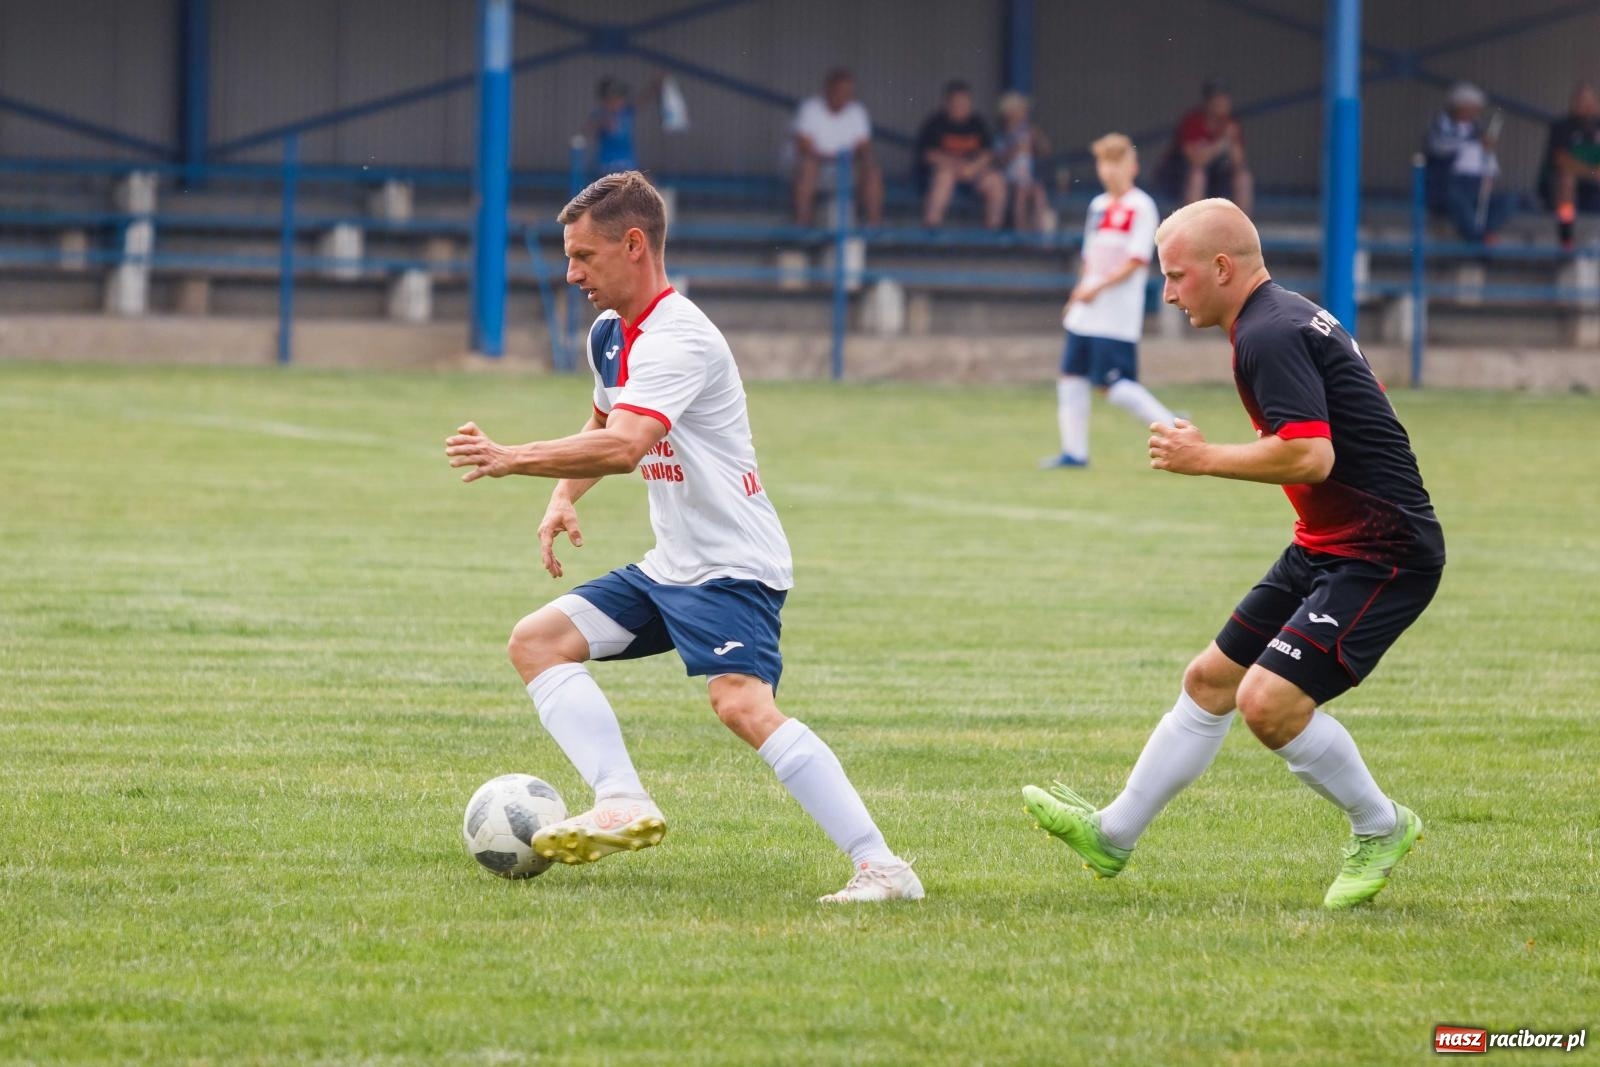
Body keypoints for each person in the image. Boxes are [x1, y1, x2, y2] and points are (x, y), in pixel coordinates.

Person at [443, 171, 923, 905]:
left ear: (634, 245)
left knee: (741, 705)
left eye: (584, 256)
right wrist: (561, 497)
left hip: (733, 567)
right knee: (536, 641)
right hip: (672, 567)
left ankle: (883, 866)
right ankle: (622, 797)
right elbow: (602, 422)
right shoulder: (610, 333)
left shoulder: (681, 339)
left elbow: (627, 445)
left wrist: (513, 458)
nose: (570, 273)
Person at [1023, 198, 1445, 911]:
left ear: (1222, 268)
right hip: (1327, 544)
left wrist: (1203, 457)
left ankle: (1382, 825)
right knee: (1210, 680)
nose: (1168, 291)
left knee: (1268, 705)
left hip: (1384, 551)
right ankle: (1113, 832)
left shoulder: (1268, 333)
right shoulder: (1277, 316)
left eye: (1177, 275)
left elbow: (1312, 454)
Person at [1042, 132, 1175, 469]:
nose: (1109, 169)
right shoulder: (1098, 206)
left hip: (1115, 315)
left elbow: (1135, 261)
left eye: (1116, 162)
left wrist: (1097, 288)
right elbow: (1091, 255)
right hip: (1087, 311)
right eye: (1104, 162)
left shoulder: (1141, 206)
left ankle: (1173, 428)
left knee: (1113, 386)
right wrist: (1081, 290)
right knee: (1071, 376)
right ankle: (1074, 453)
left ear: (1132, 167)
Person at [789, 68, 884, 228]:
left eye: (849, 92)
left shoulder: (857, 111)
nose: (845, 96)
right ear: (828, 89)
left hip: (845, 165)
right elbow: (803, 145)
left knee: (873, 171)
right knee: (809, 167)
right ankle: (802, 223)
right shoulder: (811, 108)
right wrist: (830, 158)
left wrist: (856, 158)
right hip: (816, 165)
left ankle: (874, 225)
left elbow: (864, 146)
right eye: (841, 91)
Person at [1423, 81, 1513, 245]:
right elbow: (1440, 147)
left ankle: (1482, 236)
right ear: (1458, 106)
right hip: (1449, 185)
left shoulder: (1478, 130)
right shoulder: (1441, 125)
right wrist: (1474, 142)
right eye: (1472, 106)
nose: (1476, 111)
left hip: (1476, 186)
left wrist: (1489, 171)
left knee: (1508, 201)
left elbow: (1489, 163)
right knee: (1456, 200)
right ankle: (1480, 242)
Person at [914, 80, 1007, 229]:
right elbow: (928, 154)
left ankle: (993, 231)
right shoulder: (935, 123)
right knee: (943, 177)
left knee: (996, 182)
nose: (960, 106)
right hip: (946, 172)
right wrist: (957, 166)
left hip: (973, 174)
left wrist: (972, 167)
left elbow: (988, 153)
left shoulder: (977, 123)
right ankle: (931, 228)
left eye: (964, 102)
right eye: (956, 102)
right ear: (947, 102)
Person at [1160, 79, 1254, 214]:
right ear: (1208, 102)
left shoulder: (1231, 123)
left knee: (1243, 177)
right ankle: (1192, 223)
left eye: (1224, 99)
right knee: (1198, 175)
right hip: (1180, 177)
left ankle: (1242, 226)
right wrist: (1221, 143)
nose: (1222, 104)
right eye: (1217, 99)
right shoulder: (1193, 121)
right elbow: (1196, 160)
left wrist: (1231, 139)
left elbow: (1238, 162)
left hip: (1218, 178)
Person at [1540, 81, 1600, 251]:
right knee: (1567, 179)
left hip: (1593, 186)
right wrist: (1591, 172)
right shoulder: (1562, 126)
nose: (1585, 106)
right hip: (1559, 186)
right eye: (1580, 101)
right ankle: (1566, 236)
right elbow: (1561, 160)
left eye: (1589, 101)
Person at [995, 91, 1054, 233]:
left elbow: (1046, 151)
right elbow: (998, 160)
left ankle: (1041, 235)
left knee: (1038, 192)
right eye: (1020, 109)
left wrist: (1037, 137)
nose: (1024, 113)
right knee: (1020, 195)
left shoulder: (1029, 132)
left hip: (1028, 178)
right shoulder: (1002, 136)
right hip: (1009, 180)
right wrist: (1015, 149)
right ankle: (1020, 234)